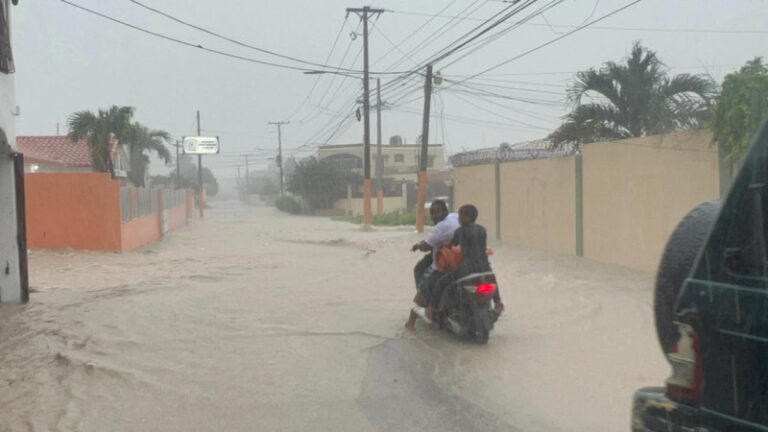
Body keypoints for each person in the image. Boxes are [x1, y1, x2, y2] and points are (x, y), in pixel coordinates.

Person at [430, 204, 503, 316]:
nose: (458, 218)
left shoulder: (460, 231)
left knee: (442, 282)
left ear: (466, 217)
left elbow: (450, 245)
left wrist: (441, 245)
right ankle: (498, 302)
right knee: (493, 281)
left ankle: (434, 309)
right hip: (485, 268)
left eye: (460, 216)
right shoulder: (482, 230)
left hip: (467, 269)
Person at [406, 199, 459, 331]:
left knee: (423, 285)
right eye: (432, 213)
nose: (434, 216)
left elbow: (426, 246)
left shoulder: (441, 227)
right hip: (459, 259)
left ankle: (411, 323)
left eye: (437, 212)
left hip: (443, 262)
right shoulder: (455, 217)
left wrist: (418, 245)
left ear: (445, 211)